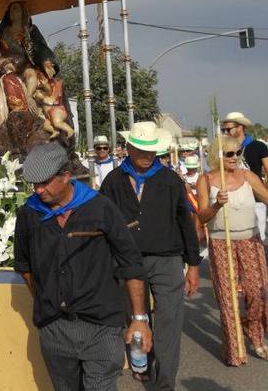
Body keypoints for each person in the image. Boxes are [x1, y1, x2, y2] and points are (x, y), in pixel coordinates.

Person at [14, 142, 151, 390]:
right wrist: (48, 300)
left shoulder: (101, 208)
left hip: (101, 327)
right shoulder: (28, 215)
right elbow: (25, 267)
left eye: (44, 183)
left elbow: (132, 263)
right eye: (34, 184)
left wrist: (140, 319)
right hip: (55, 329)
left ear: (65, 176)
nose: (38, 190)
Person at [99, 121, 201, 388]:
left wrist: (193, 264)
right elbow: (103, 221)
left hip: (167, 260)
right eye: (141, 149)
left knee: (169, 323)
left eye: (151, 150)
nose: (147, 155)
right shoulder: (113, 181)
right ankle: (143, 361)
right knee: (135, 317)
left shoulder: (170, 180)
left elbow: (185, 222)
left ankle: (165, 382)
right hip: (127, 261)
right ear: (129, 147)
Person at [195, 135, 268, 365]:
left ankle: (255, 333)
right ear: (218, 156)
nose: (235, 158)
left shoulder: (248, 176)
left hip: (250, 240)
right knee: (228, 299)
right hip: (221, 242)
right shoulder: (205, 180)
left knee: (258, 291)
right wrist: (217, 204)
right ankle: (235, 351)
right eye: (229, 154)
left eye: (238, 153)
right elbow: (203, 216)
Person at [221, 112, 268, 244]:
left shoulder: (258, 146)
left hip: (255, 199)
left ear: (240, 127)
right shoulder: (223, 149)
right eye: (223, 130)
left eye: (228, 129)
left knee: (257, 239)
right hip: (232, 198)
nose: (225, 132)